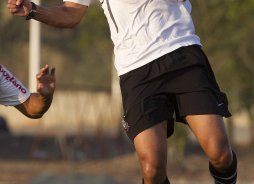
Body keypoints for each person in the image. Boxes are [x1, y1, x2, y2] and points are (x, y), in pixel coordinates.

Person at [7, 0, 237, 183]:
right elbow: (71, 14)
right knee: (152, 168)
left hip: (182, 52)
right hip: (136, 70)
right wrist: (33, 10)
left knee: (220, 153)